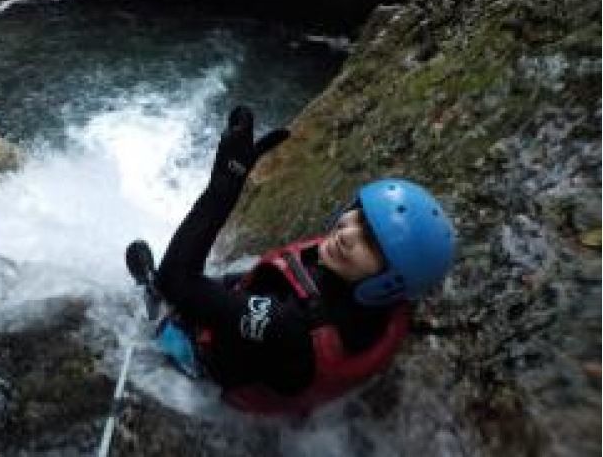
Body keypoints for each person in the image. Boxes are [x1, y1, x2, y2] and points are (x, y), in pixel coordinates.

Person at [126, 106, 456, 416]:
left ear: (389, 280)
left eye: (370, 241)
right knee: (231, 282)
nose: (346, 233)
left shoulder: (289, 326)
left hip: (218, 364)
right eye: (358, 216)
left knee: (167, 294)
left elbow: (176, 280)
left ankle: (161, 315)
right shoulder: (386, 299)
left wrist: (224, 186)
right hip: (278, 346)